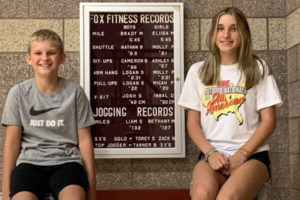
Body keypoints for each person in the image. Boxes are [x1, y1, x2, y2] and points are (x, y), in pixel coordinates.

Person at [178, 7, 282, 200]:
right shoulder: (197, 71)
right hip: (212, 154)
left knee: (227, 198)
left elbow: (269, 121)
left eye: (233, 28)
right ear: (212, 34)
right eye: (220, 28)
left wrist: (242, 153)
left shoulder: (258, 68)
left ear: (244, 33)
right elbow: (192, 123)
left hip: (252, 155)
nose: (226, 34)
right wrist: (210, 152)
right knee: (202, 193)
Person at [2, 29, 97, 200]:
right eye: (38, 53)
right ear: (29, 58)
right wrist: (5, 192)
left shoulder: (75, 93)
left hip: (67, 163)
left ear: (62, 58)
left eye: (51, 53)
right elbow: (12, 143)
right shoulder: (18, 93)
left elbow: (84, 140)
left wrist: (92, 188)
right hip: (29, 164)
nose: (44, 58)